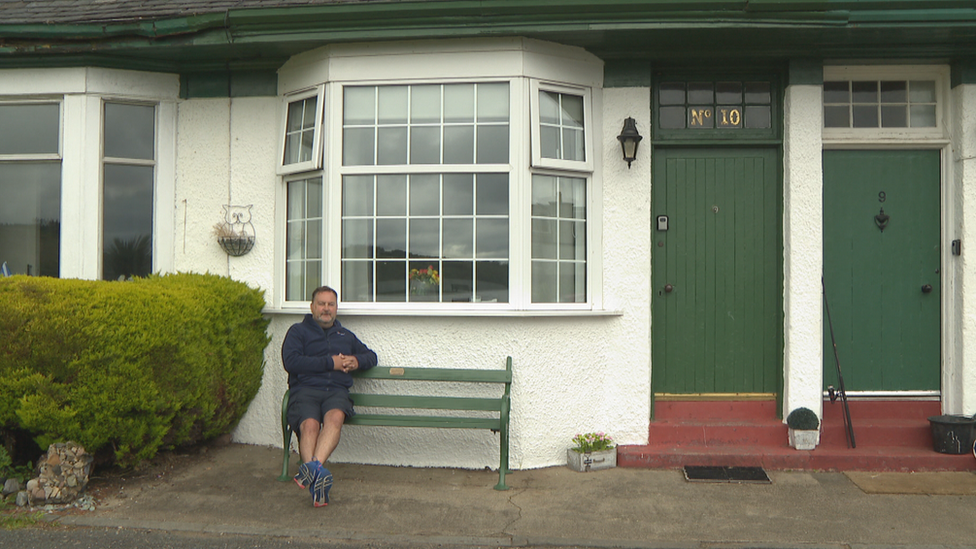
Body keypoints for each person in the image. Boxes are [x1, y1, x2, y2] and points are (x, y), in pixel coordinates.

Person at [281, 285, 377, 507]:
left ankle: (311, 473)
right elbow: (291, 362)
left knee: (334, 419)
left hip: (335, 391)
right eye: (322, 304)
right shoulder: (297, 331)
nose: (326, 309)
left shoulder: (346, 335)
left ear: (336, 308)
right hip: (305, 391)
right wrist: (330, 362)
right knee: (310, 426)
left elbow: (371, 356)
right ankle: (318, 485)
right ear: (312, 307)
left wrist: (357, 361)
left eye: (331, 304)